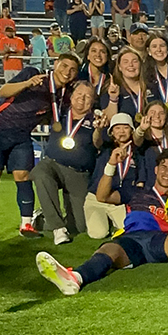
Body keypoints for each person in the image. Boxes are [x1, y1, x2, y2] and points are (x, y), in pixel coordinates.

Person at [36, 149, 168, 296]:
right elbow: (103, 196)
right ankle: (74, 278)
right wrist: (111, 166)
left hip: (162, 240)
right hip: (132, 239)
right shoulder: (136, 192)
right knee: (109, 250)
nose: (167, 172)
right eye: (163, 166)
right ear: (155, 169)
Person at [0, 54, 80, 243]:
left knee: (24, 177)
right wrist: (27, 84)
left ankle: (26, 224)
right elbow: (3, 91)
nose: (67, 71)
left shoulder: (64, 96)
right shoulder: (33, 74)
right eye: (64, 65)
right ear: (55, 64)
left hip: (21, 136)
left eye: (72, 69)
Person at [30, 81, 97, 244]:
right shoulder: (58, 112)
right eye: (79, 94)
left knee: (80, 226)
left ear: (92, 102)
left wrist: (100, 129)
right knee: (40, 172)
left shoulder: (96, 120)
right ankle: (58, 229)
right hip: (53, 164)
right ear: (72, 96)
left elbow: (99, 142)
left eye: (88, 96)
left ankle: (41, 219)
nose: (82, 98)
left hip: (78, 173)